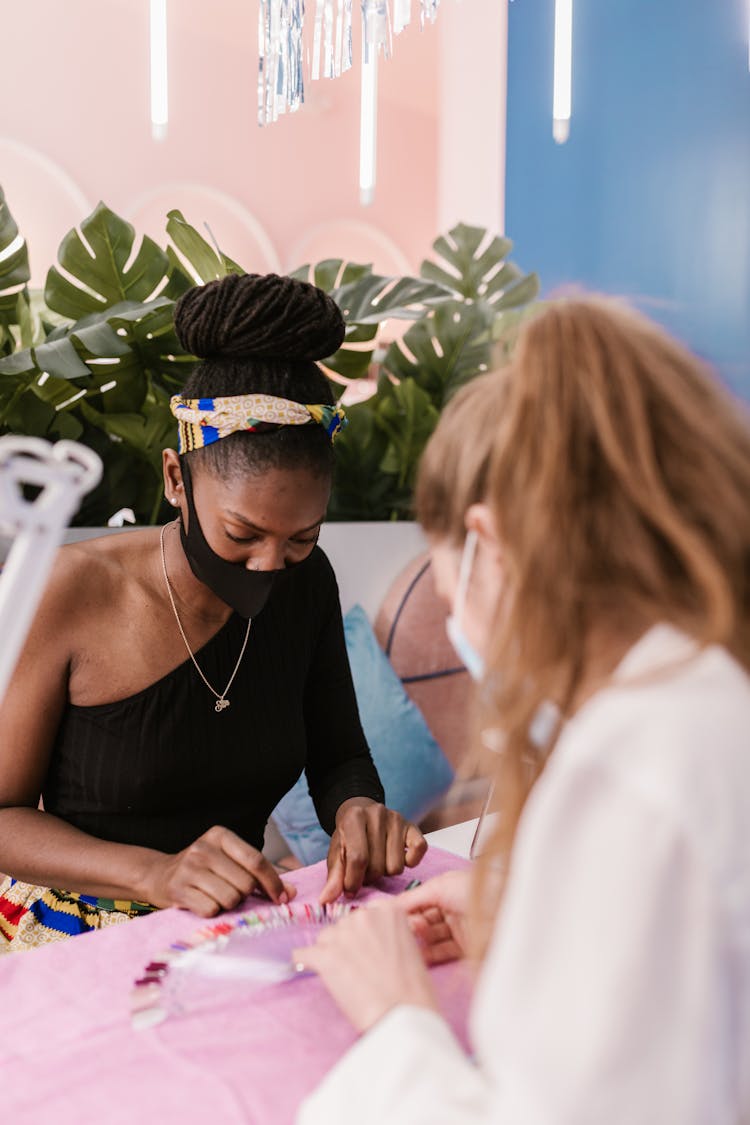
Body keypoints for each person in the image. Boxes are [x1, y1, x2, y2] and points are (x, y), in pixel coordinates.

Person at [294, 296, 750, 1123]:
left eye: (445, 584)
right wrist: (540, 917)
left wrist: (398, 1017)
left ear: (488, 544)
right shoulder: (709, 701)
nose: (458, 623)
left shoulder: (631, 772)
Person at [0, 272, 425, 952]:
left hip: (230, 933)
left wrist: (357, 810)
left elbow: (338, 753)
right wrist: (155, 873)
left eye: (301, 537)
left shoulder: (306, 583)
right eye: (242, 534)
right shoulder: (72, 589)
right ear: (176, 478)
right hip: (66, 938)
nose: (269, 566)